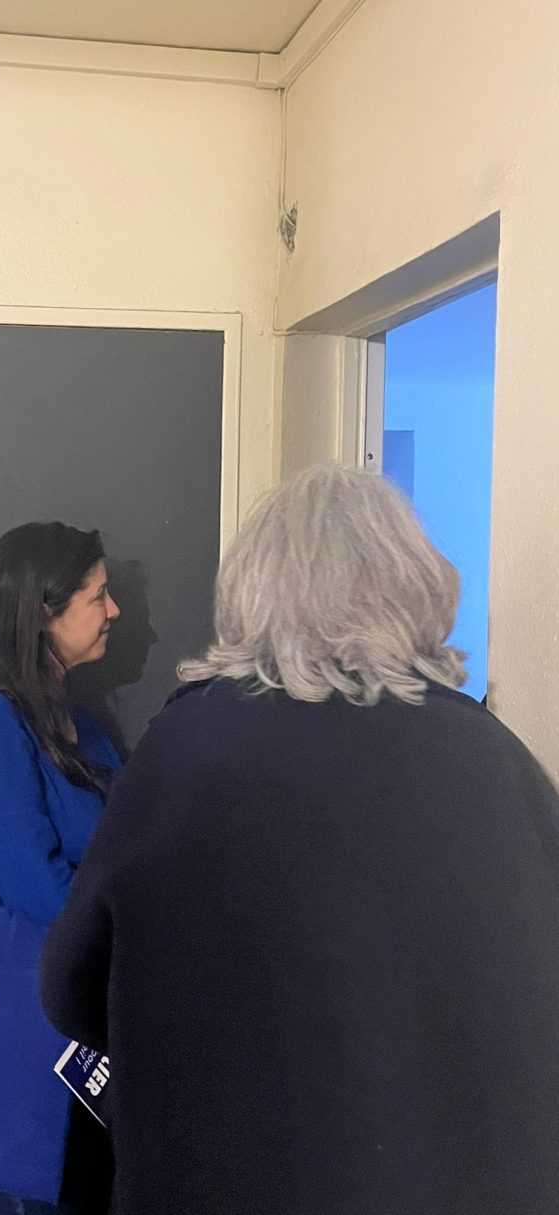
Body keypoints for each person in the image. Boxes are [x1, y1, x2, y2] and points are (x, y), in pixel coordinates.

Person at [40, 463, 559, 1215]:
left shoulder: (182, 751)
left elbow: (70, 990)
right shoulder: (494, 760)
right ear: (417, 588)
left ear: (252, 594)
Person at [0, 521, 122, 1215]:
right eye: (97, 596)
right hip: (17, 1034)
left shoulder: (82, 725)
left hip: (80, 1027)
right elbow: (36, 888)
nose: (114, 611)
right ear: (44, 612)